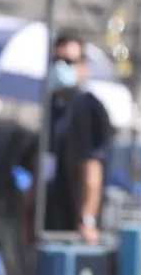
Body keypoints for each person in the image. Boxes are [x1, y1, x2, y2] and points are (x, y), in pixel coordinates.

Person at [36, 31, 113, 245]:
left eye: (69, 62)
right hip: (52, 220)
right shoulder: (54, 109)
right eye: (57, 61)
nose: (61, 67)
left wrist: (87, 219)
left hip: (76, 228)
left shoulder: (88, 108)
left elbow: (92, 168)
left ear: (83, 67)